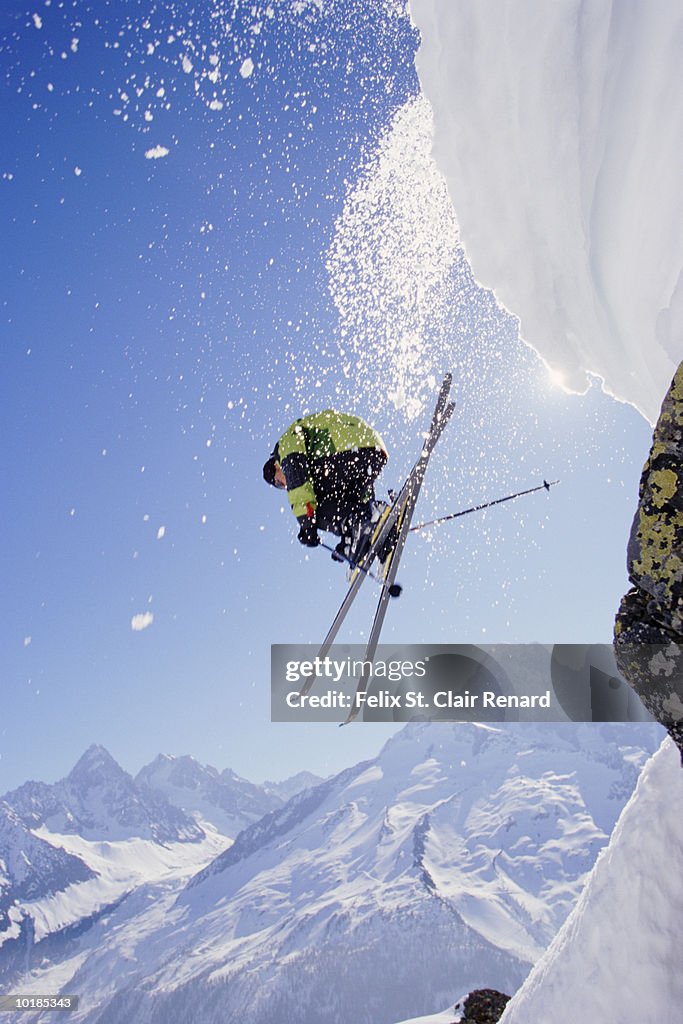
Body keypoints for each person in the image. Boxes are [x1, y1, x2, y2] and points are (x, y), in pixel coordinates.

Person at [263, 409, 389, 562]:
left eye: (278, 483)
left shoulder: (285, 447)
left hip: (346, 448)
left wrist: (307, 524)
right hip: (371, 450)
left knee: (313, 503)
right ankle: (367, 530)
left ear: (276, 466)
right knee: (355, 508)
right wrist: (349, 539)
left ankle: (357, 524)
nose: (283, 485)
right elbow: (360, 494)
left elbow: (298, 479)